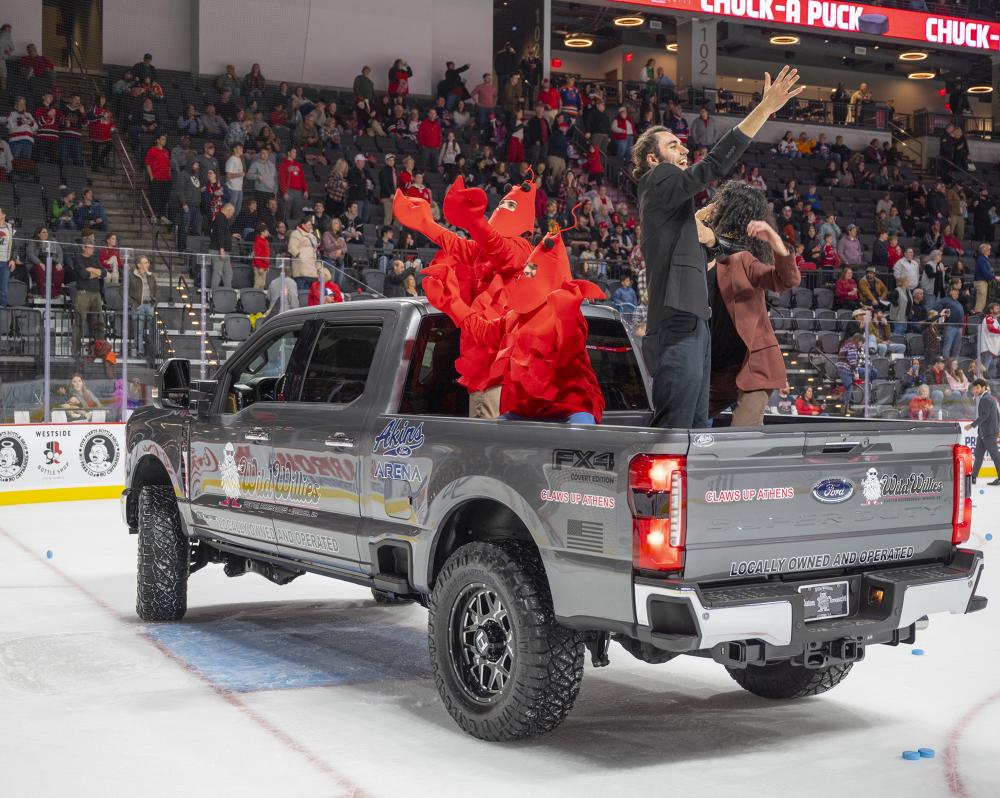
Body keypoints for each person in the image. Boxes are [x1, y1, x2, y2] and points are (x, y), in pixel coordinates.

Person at [634, 65, 803, 429]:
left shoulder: (680, 219)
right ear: (652, 159)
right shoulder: (657, 178)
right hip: (678, 324)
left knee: (696, 429)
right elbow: (713, 165)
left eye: (682, 143)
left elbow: (718, 248)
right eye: (672, 144)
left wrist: (710, 236)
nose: (683, 148)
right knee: (677, 430)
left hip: (695, 325)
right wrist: (763, 109)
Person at [395, 176, 537, 418]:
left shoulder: (521, 248)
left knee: (487, 450)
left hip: (496, 375)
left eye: (509, 206)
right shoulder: (486, 252)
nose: (502, 210)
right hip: (489, 372)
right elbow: (463, 246)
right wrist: (426, 224)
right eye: (502, 205)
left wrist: (475, 221)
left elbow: (498, 249)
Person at [699, 181, 802, 426]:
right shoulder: (697, 262)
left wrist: (774, 240)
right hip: (718, 370)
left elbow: (786, 279)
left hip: (754, 366)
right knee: (685, 418)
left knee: (741, 436)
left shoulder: (742, 260)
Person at [71, 236, 106, 356]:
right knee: (79, 322)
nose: (92, 250)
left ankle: (99, 349)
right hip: (83, 293)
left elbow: (104, 273)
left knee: (99, 323)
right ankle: (75, 351)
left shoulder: (95, 259)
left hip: (96, 294)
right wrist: (96, 273)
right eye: (90, 247)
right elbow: (83, 274)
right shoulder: (78, 259)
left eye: (93, 247)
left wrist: (92, 270)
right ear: (83, 247)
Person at [966, 379, 1000, 485]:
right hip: (983, 433)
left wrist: (971, 425)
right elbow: (997, 414)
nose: (975, 390)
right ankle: (974, 476)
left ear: (983, 387)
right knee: (979, 455)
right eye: (974, 388)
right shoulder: (988, 398)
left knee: (995, 455)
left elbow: (984, 415)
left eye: (977, 388)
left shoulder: (986, 399)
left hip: (989, 433)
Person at [129, 255, 158, 356]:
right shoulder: (131, 276)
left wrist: (154, 302)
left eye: (148, 262)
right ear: (138, 265)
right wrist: (131, 302)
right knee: (139, 330)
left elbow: (156, 289)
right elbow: (122, 290)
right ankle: (140, 351)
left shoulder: (151, 276)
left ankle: (153, 352)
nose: (147, 265)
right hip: (138, 305)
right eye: (145, 263)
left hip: (149, 305)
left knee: (153, 330)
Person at [25, 226, 64, 297]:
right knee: (39, 269)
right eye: (44, 232)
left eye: (47, 232)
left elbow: (60, 253)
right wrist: (39, 263)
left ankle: (56, 294)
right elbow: (30, 254)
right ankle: (41, 293)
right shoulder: (33, 242)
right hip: (36, 265)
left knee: (59, 270)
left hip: (51, 264)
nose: (46, 234)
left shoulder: (52, 241)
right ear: (38, 234)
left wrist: (59, 263)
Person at [288, 215, 319, 291]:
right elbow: (292, 247)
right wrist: (300, 256)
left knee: (310, 294)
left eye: (311, 225)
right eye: (308, 225)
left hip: (312, 269)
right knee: (301, 293)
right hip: (301, 269)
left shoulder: (312, 235)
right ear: (303, 225)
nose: (310, 226)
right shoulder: (296, 233)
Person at [209, 203, 235, 288]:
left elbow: (222, 232)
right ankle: (214, 293)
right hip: (218, 250)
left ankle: (228, 291)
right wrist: (221, 249)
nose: (232, 215)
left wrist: (231, 235)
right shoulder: (220, 217)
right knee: (218, 272)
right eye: (232, 213)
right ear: (228, 210)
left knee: (228, 272)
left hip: (224, 251)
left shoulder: (223, 219)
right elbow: (220, 233)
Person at [974, 242, 996, 314]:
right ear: (983, 250)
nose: (990, 251)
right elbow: (985, 273)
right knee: (980, 303)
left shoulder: (984, 259)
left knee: (982, 302)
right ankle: (976, 319)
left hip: (983, 282)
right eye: (988, 249)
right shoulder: (982, 260)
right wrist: (995, 277)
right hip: (981, 282)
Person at [980, 303, 1000, 378]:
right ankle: (980, 384)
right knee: (984, 369)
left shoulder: (995, 319)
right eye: (997, 308)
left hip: (994, 348)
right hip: (988, 348)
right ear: (991, 310)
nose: (999, 310)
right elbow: (991, 329)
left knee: (993, 368)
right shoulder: (988, 318)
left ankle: (991, 385)